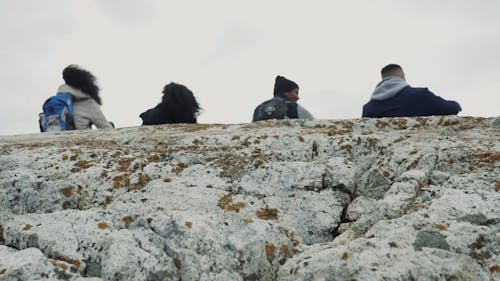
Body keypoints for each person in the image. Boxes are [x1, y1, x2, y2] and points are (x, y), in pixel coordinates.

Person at [362, 64, 461, 118]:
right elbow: (452, 109)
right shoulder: (420, 96)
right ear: (402, 77)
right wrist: (456, 104)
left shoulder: (368, 109)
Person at [58, 65, 113, 129]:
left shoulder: (59, 101)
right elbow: (105, 127)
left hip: (55, 137)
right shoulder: (89, 103)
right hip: (79, 138)